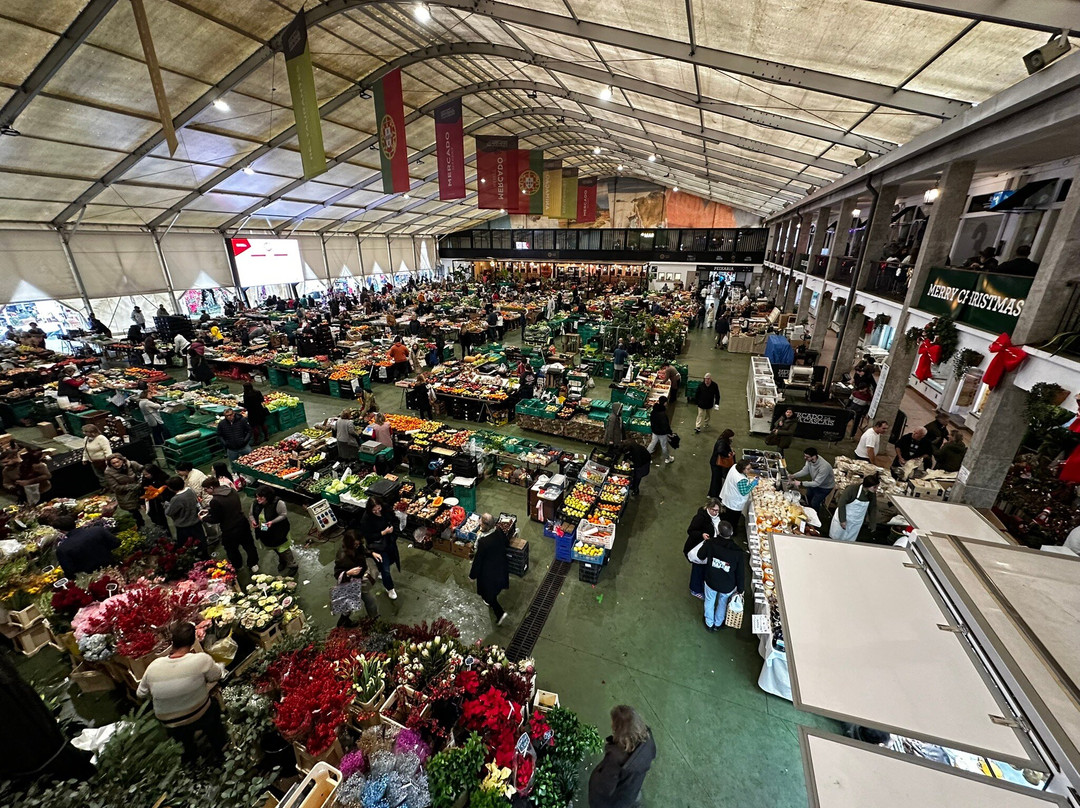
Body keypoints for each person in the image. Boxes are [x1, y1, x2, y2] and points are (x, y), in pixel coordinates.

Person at [136, 622, 227, 763]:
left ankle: (190, 760)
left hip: (169, 722)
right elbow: (216, 676)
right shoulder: (201, 660)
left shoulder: (154, 666)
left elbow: (141, 694)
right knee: (213, 709)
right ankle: (221, 749)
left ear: (173, 642)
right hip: (199, 713)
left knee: (183, 740)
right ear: (194, 641)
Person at [588, 705, 657, 808]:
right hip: (632, 790)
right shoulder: (647, 740)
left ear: (618, 729)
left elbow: (605, 786)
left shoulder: (616, 757)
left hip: (613, 801)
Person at [688, 519, 745, 631]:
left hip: (711, 580)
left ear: (718, 532)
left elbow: (700, 556)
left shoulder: (711, 543)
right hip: (728, 584)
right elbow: (740, 573)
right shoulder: (738, 552)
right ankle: (718, 623)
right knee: (723, 602)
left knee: (709, 600)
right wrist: (740, 588)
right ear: (731, 533)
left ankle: (709, 623)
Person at [200, 478, 259, 573]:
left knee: (232, 549)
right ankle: (253, 563)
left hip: (230, 529)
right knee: (249, 545)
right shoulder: (231, 490)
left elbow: (216, 519)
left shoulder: (215, 500)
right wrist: (209, 511)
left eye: (206, 489)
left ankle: (238, 565)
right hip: (242, 522)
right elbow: (228, 507)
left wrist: (203, 518)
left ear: (211, 487)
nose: (205, 491)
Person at [470, 513, 511, 624]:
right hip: (501, 566)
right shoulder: (498, 531)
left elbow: (478, 560)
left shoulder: (483, 542)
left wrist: (472, 575)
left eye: (481, 522)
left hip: (488, 572)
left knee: (488, 594)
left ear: (484, 525)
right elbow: (507, 543)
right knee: (496, 587)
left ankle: (500, 613)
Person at [683, 498, 727, 600]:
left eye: (717, 510)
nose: (715, 512)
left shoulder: (717, 517)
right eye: (713, 510)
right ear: (708, 507)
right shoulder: (700, 518)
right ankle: (695, 589)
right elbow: (690, 530)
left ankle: (701, 584)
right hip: (699, 547)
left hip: (710, 548)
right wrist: (701, 535)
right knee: (698, 568)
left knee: (705, 568)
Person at [333, 529, 379, 626]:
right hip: (350, 583)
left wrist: (371, 553)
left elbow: (363, 550)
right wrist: (348, 573)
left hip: (359, 580)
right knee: (350, 606)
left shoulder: (358, 547)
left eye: (358, 544)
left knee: (368, 601)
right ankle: (342, 623)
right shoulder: (342, 556)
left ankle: (373, 619)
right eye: (355, 545)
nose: (357, 546)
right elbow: (337, 573)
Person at [249, 486, 297, 572]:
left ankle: (292, 564)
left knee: (284, 549)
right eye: (257, 496)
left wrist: (272, 522)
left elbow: (283, 514)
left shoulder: (278, 503)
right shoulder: (255, 503)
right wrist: (253, 521)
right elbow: (251, 514)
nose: (258, 499)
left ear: (268, 496)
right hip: (264, 531)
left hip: (278, 530)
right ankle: (282, 560)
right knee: (274, 547)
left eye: (261, 497)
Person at [52, 515, 119, 575]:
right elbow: (116, 543)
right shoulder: (98, 530)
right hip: (115, 567)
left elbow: (69, 571)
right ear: (75, 523)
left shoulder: (62, 549)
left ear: (60, 531)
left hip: (91, 579)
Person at [361, 496, 399, 599]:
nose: (377, 512)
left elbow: (395, 520)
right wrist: (382, 533)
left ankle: (380, 570)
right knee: (385, 569)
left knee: (390, 561)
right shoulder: (366, 519)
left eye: (378, 509)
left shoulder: (386, 509)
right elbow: (367, 536)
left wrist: (394, 534)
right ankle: (390, 588)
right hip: (378, 547)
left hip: (389, 543)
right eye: (374, 510)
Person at [830, 473, 880, 542]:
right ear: (868, 485)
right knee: (836, 538)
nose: (876, 489)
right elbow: (841, 504)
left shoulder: (872, 494)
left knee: (849, 541)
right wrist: (842, 520)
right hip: (845, 517)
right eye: (875, 487)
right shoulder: (852, 489)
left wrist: (873, 524)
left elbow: (872, 508)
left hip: (856, 522)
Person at [165, 475, 206, 551]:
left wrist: (166, 504)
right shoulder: (190, 491)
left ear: (171, 488)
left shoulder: (176, 499)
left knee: (188, 547)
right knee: (201, 543)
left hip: (184, 526)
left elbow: (169, 512)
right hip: (196, 522)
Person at [719, 460, 758, 536]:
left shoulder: (734, 467)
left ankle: (724, 526)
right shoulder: (741, 479)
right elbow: (744, 491)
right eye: (748, 469)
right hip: (734, 502)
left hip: (728, 495)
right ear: (742, 469)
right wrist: (754, 483)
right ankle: (731, 532)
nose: (749, 470)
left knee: (727, 514)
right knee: (733, 518)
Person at [104, 454, 143, 527]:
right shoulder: (108, 473)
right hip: (127, 496)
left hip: (140, 491)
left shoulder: (131, 464)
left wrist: (142, 481)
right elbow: (115, 487)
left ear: (122, 460)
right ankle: (141, 525)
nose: (116, 464)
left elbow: (144, 470)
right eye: (113, 463)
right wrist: (132, 486)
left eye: (117, 462)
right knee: (135, 514)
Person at [142, 462, 173, 528]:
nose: (145, 476)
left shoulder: (163, 479)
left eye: (147, 474)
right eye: (144, 475)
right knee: (157, 520)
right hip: (152, 503)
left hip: (164, 501)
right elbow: (142, 490)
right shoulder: (145, 480)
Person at [707, 429, 736, 498]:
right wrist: (728, 454)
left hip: (715, 463)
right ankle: (714, 495)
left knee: (716, 478)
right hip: (716, 463)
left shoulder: (722, 440)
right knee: (716, 479)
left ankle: (711, 493)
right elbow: (720, 450)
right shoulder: (722, 442)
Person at [646, 397, 674, 465]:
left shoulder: (654, 411)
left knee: (652, 443)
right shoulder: (663, 414)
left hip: (655, 431)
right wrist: (669, 432)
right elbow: (665, 425)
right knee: (664, 446)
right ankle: (667, 458)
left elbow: (651, 420)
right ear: (664, 403)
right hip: (662, 433)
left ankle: (646, 457)